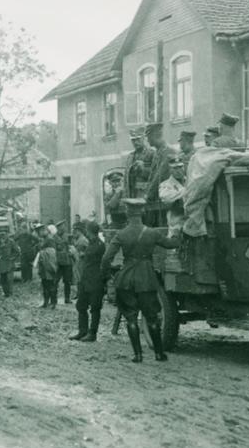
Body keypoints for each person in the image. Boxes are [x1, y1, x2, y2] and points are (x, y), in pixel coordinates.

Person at [100, 198, 181, 362]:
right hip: (146, 279)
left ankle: (137, 355)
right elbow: (172, 244)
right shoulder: (152, 233)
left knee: (131, 318)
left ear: (127, 213)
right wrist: (179, 233)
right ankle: (159, 354)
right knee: (152, 317)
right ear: (142, 213)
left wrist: (109, 276)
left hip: (126, 279)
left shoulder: (121, 234)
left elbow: (106, 259)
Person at [70, 221, 107, 342]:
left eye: (87, 229)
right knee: (81, 306)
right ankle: (82, 331)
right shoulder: (91, 243)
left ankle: (92, 333)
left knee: (95, 308)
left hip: (95, 281)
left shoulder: (99, 245)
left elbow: (97, 261)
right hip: (85, 280)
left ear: (90, 231)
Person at [144, 122, 177, 204]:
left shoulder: (169, 151)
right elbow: (152, 176)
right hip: (157, 199)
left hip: (166, 199)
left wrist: (149, 194)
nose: (147, 140)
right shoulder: (157, 152)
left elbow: (160, 175)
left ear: (154, 135)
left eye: (148, 137)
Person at [124, 127, 154, 199]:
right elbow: (126, 177)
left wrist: (143, 168)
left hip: (145, 194)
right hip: (132, 194)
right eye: (133, 140)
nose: (135, 142)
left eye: (138, 139)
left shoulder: (151, 154)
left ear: (143, 138)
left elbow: (156, 173)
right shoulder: (130, 157)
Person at [0, 229, 20, 297]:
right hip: (1, 263)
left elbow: (17, 252)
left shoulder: (11, 241)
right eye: (1, 234)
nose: (2, 236)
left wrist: (11, 258)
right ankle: (6, 293)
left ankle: (10, 293)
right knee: (3, 279)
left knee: (9, 279)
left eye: (3, 234)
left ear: (7, 234)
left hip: (9, 264)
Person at [35, 238, 58, 308]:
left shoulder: (42, 252)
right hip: (53, 271)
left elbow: (40, 263)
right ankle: (53, 303)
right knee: (53, 287)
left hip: (45, 273)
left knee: (45, 288)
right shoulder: (54, 251)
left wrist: (39, 272)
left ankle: (46, 302)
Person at [54, 226, 74, 304]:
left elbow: (70, 246)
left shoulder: (67, 236)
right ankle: (54, 298)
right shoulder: (55, 238)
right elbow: (57, 248)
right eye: (61, 228)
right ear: (58, 229)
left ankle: (67, 298)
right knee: (55, 281)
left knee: (67, 281)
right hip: (58, 262)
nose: (62, 230)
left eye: (63, 228)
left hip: (67, 262)